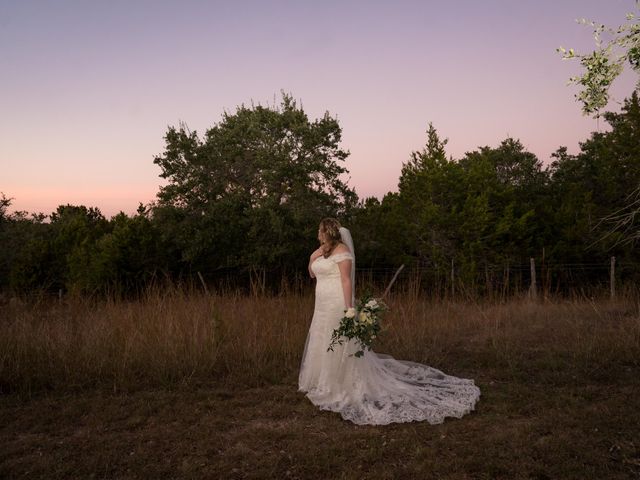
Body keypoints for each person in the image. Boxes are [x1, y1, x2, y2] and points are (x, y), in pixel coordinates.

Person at [298, 217, 481, 425]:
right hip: (321, 303)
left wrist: (350, 308)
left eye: (319, 231)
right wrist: (313, 255)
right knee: (322, 337)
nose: (317, 234)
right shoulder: (324, 251)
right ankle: (322, 379)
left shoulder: (342, 252)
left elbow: (346, 280)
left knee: (338, 339)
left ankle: (340, 382)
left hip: (336, 302)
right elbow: (312, 274)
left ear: (327, 232)